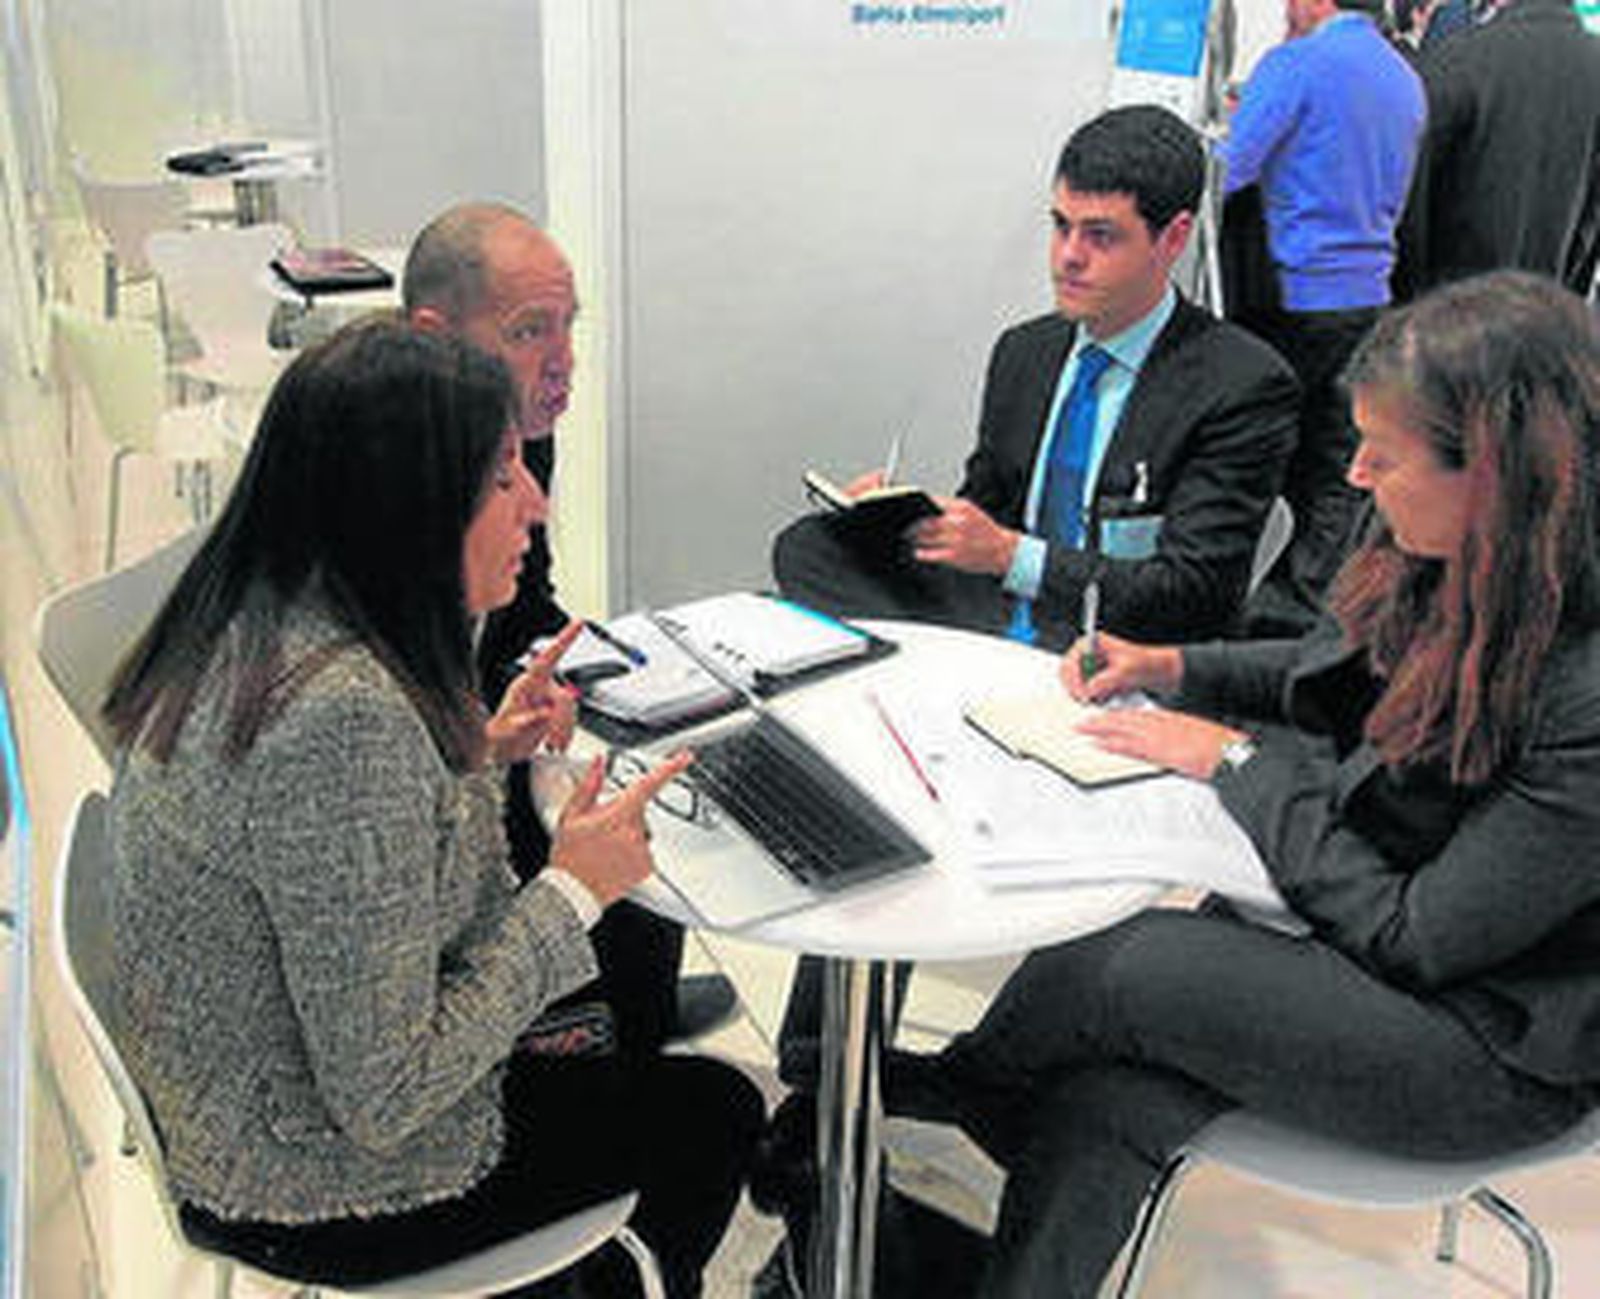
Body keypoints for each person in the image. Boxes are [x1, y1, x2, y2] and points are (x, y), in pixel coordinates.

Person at [886, 270, 1600, 1298]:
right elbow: (1330, 667)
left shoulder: (1582, 690)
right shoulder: (1459, 551)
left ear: (1486, 470)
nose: (1353, 475)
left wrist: (1230, 760)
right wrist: (1172, 668)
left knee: (1128, 963)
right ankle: (967, 1145)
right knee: (1105, 1097)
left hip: (1487, 1044)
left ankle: (946, 1094)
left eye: (1382, 456)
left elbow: (1420, 935)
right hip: (1374, 934)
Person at [103, 318, 763, 1295]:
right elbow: (388, 1095)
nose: (534, 507)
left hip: (245, 1092)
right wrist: (571, 892)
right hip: (315, 1181)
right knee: (712, 1114)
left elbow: (331, 863)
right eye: (502, 479)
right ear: (402, 509)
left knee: (608, 1013)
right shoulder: (338, 717)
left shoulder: (266, 611)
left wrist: (476, 747)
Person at [772, 105, 1299, 653]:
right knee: (809, 548)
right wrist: (902, 518)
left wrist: (1009, 554)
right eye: (1061, 226)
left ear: (1172, 239)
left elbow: (1193, 593)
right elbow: (987, 507)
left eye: (1101, 236)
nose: (1068, 257)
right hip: (998, 614)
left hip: (1114, 644)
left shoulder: (1241, 385)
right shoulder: (1026, 352)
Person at [403, 202, 736, 1058]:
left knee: (623, 780)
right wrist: (477, 745)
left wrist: (611, 666)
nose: (563, 364)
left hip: (463, 732)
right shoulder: (389, 483)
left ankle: (627, 1020)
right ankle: (587, 1043)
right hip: (418, 807)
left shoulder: (511, 429)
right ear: (434, 336)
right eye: (528, 333)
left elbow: (525, 605)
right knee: (592, 825)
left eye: (567, 327)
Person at [1217, 0, 1426, 636]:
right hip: (1367, 302)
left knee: (1244, 466)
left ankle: (1230, 622)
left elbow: (1221, 174)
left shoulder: (1297, 64)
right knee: (1337, 476)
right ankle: (1301, 624)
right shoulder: (1403, 78)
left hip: (1291, 302)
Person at [1395, 0, 1600, 302]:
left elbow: (1411, 201)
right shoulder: (1591, 63)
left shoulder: (1457, 61)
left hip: (1454, 312)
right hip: (1552, 310)